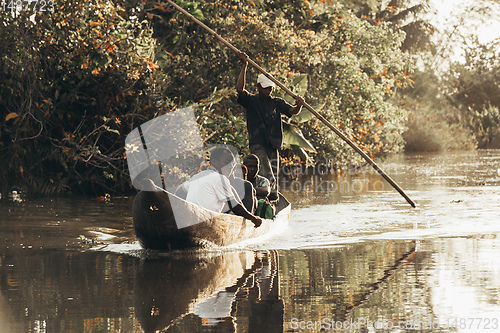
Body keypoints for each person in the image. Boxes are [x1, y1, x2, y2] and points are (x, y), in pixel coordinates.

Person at [236, 51, 305, 188]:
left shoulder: (277, 103)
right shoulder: (251, 101)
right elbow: (240, 89)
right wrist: (244, 66)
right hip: (257, 143)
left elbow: (292, 111)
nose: (268, 91)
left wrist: (299, 105)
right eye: (265, 88)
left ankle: (270, 197)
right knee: (267, 174)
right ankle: (261, 193)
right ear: (258, 87)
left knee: (274, 175)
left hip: (273, 145)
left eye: (270, 89)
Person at [176, 147, 262, 228]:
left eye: (232, 164)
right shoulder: (220, 179)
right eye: (227, 162)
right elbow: (235, 207)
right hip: (205, 224)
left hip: (190, 221)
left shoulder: (197, 176)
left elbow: (180, 190)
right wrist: (254, 219)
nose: (231, 167)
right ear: (214, 162)